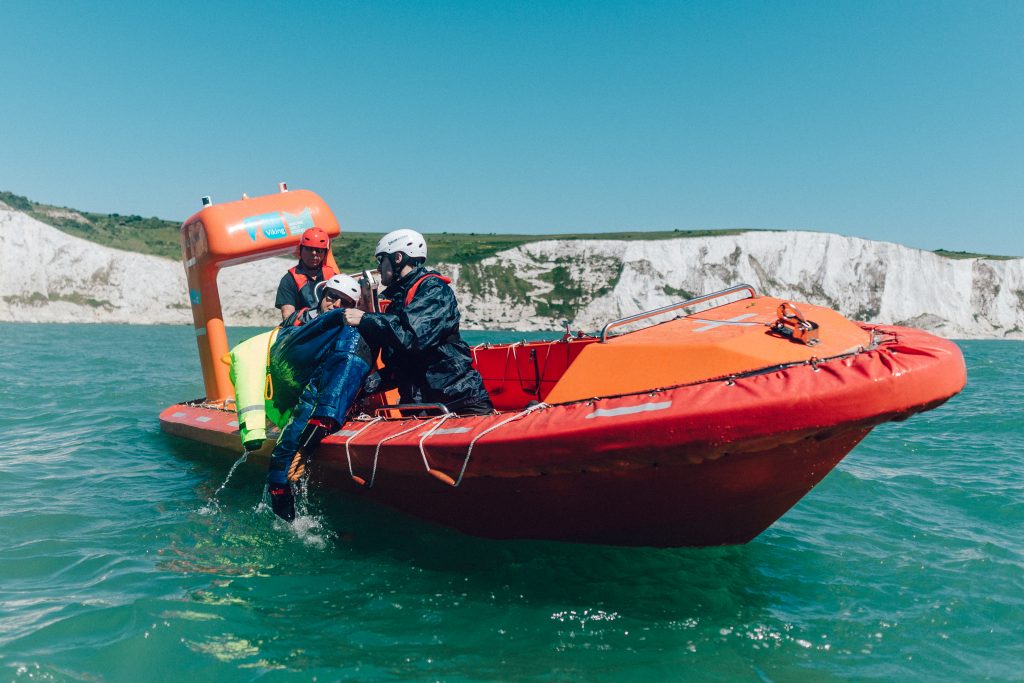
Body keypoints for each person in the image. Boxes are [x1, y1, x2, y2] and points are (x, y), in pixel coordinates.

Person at [342, 229, 494, 416]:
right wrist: (359, 387)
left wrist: (365, 319)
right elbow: (399, 364)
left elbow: (411, 337)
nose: (379, 267)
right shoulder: (397, 301)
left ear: (398, 257)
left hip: (457, 399)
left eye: (381, 260)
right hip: (420, 404)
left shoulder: (434, 290)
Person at [266, 273, 375, 521]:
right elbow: (283, 349)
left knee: (285, 455)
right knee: (281, 460)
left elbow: (342, 374)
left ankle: (287, 516)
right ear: (322, 296)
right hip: (292, 395)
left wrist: (311, 440)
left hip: (314, 400)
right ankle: (282, 512)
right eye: (332, 297)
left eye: (344, 302)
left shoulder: (350, 334)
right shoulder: (299, 321)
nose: (336, 304)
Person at [275, 227, 336, 321]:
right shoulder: (288, 280)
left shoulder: (333, 276)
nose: (314, 254)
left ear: (325, 253)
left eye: (319, 250)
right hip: (305, 330)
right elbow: (287, 316)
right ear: (301, 250)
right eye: (309, 249)